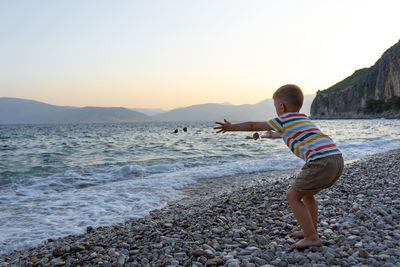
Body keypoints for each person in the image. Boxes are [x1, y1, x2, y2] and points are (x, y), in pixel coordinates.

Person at [214, 84, 343, 249]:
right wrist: (272, 136)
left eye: (275, 106)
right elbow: (286, 133)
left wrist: (231, 127)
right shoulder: (303, 119)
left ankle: (311, 237)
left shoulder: (283, 119)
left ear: (281, 106)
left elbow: (254, 126)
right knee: (306, 195)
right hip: (336, 159)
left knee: (292, 196)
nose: (276, 109)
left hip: (320, 162)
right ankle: (310, 230)